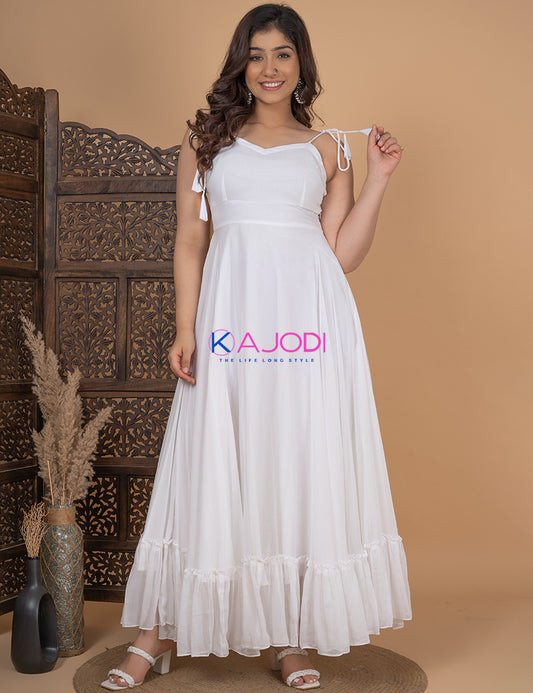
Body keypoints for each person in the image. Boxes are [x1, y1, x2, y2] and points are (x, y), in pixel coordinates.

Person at [101, 3, 412, 690]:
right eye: (256, 54)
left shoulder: (329, 148)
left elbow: (342, 255)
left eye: (282, 54)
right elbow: (191, 238)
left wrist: (379, 178)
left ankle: (287, 637)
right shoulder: (206, 141)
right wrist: (185, 328)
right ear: (241, 64)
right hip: (230, 318)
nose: (269, 68)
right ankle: (155, 634)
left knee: (293, 461)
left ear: (302, 63)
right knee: (211, 457)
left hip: (310, 320)